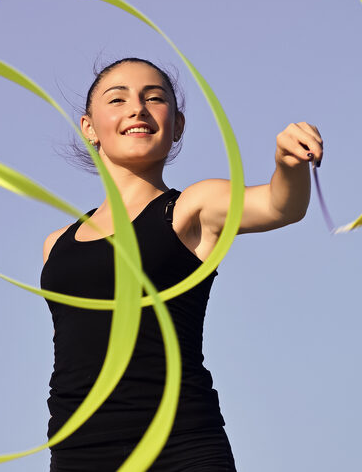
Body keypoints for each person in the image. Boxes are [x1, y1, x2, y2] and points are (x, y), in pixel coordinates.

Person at [40, 58, 323, 471]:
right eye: (117, 99)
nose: (137, 108)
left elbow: (281, 206)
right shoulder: (56, 245)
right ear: (89, 128)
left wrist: (288, 164)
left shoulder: (192, 207)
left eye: (154, 98)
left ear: (177, 126)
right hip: (79, 456)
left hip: (181, 448)